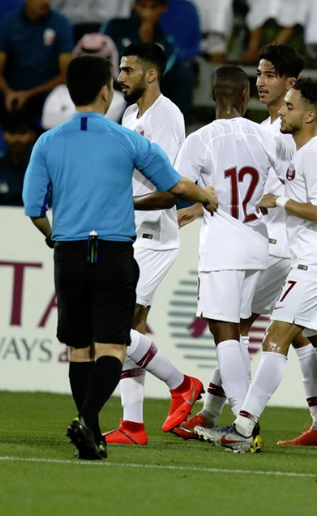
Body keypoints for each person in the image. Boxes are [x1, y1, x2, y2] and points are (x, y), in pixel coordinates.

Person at [22, 53, 217, 460]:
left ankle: (91, 427)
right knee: (112, 344)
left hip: (70, 253)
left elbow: (34, 209)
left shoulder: (47, 142)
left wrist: (53, 237)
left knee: (78, 349)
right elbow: (174, 185)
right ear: (105, 91)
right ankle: (91, 419)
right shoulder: (125, 138)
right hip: (112, 252)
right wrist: (205, 196)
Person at [194, 78, 317, 458]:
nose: (281, 112)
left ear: (310, 114)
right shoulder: (302, 147)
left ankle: (242, 426)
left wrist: (280, 201)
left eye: (289, 106)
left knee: (275, 338)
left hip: (315, 260)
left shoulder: (315, 153)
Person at [174, 65, 292, 436]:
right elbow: (286, 185)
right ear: (246, 96)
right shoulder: (267, 137)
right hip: (258, 243)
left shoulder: (200, 139)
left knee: (224, 331)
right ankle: (241, 418)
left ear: (213, 97)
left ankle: (243, 422)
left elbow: (179, 188)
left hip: (222, 245)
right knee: (237, 333)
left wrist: (200, 198)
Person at [102, 43, 203, 446]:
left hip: (153, 237)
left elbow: (171, 189)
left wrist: (119, 202)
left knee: (116, 329)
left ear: (150, 74)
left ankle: (182, 384)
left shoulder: (167, 116)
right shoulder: (129, 115)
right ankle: (132, 424)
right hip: (131, 232)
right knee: (129, 329)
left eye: (127, 70)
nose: (120, 77)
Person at [101, 0, 194, 117]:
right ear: (135, 5)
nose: (147, 12)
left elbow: (157, 74)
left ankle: (176, 127)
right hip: (112, 86)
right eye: (143, 6)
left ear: (163, 8)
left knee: (184, 75)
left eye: (153, 7)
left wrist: (146, 41)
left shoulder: (167, 42)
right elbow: (100, 56)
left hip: (141, 90)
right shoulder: (114, 27)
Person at [0, 0, 74, 120]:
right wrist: (8, 92)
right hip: (13, 90)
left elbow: (65, 75)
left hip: (47, 92)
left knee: (60, 107)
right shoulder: (8, 24)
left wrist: (29, 94)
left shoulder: (61, 24)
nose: (46, 1)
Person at [41, 33, 126, 129]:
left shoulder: (117, 99)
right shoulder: (60, 92)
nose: (90, 69)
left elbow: (98, 127)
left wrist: (66, 116)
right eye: (85, 63)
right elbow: (48, 122)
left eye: (96, 64)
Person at [0, 112, 37, 206]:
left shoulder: (46, 167)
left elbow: (53, 207)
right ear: (3, 135)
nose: (16, 139)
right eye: (11, 132)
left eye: (22, 132)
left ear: (32, 135)